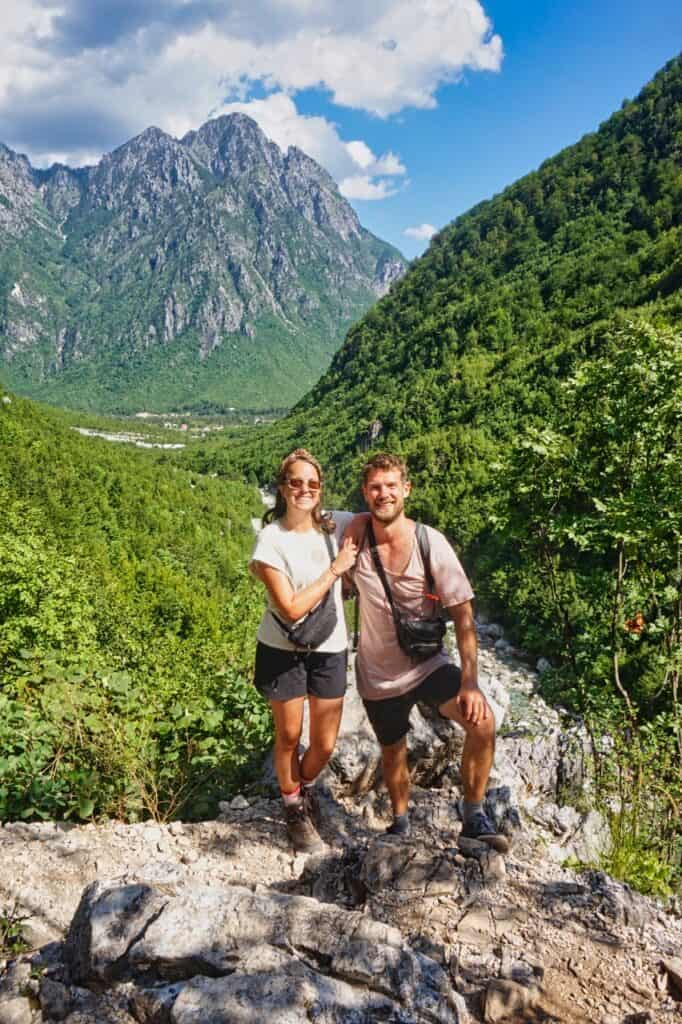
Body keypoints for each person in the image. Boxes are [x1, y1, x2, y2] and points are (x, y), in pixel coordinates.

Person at [344, 452, 508, 852]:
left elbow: (464, 617)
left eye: (391, 486)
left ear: (406, 490)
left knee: (482, 722)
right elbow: (310, 517)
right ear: (365, 494)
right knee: (393, 751)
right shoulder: (356, 536)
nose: (384, 494)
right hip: (378, 675)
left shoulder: (429, 542)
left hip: (428, 664)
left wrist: (469, 682)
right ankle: (401, 825)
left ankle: (473, 816)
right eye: (375, 488)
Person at [249, 449, 358, 853]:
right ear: (283, 488)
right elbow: (291, 607)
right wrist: (336, 571)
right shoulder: (270, 541)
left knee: (325, 744)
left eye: (312, 484)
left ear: (321, 489)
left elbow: (375, 519)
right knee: (289, 735)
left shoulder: (335, 526)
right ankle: (293, 808)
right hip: (283, 648)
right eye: (296, 482)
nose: (305, 490)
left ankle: (303, 786)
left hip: (329, 646)